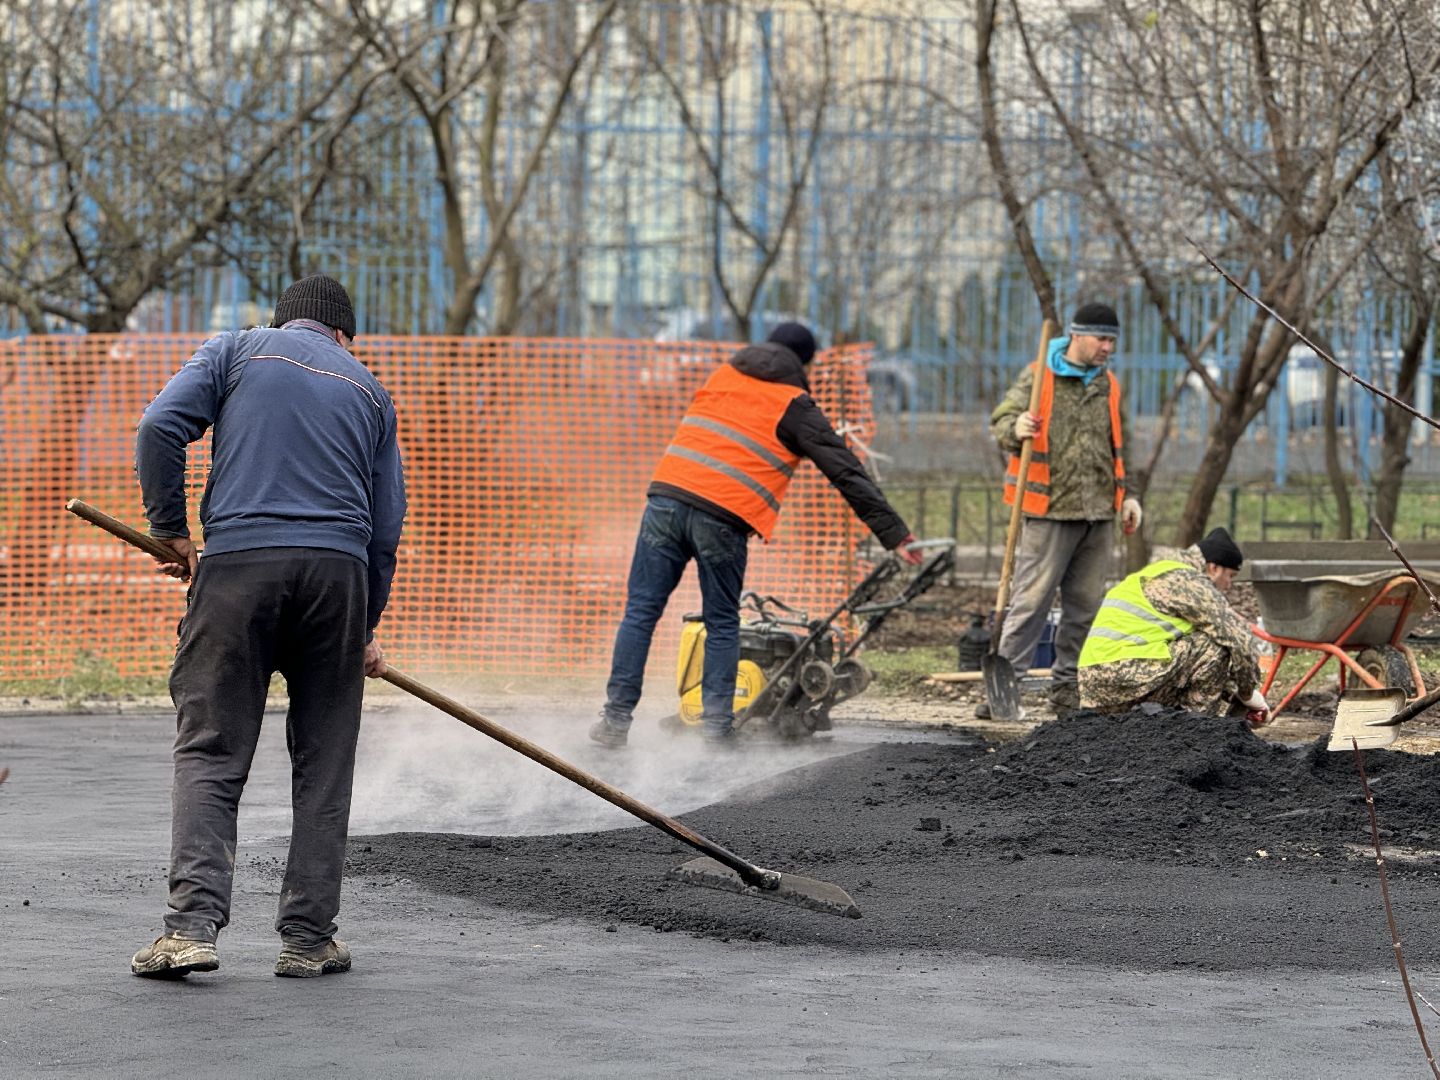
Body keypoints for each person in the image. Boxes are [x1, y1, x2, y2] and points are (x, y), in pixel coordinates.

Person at [129, 274, 406, 980]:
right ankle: (308, 940)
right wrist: (363, 626)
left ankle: (190, 930)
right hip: (337, 577)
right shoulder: (371, 391)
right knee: (324, 764)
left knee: (211, 750)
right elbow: (385, 532)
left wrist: (169, 528)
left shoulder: (236, 349)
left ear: (283, 321)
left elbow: (159, 426)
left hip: (239, 569)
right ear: (343, 334)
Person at [589, 322, 920, 749]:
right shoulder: (794, 404)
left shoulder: (723, 374)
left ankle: (614, 722)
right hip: (722, 516)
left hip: (666, 500)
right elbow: (846, 471)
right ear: (804, 363)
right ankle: (715, 732)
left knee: (640, 612)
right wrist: (895, 534)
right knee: (722, 622)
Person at [981, 302, 1142, 719]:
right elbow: (1002, 420)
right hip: (1049, 512)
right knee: (1030, 605)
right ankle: (1004, 691)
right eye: (1101, 339)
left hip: (1099, 514)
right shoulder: (1039, 376)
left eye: (1112, 341)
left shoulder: (1109, 384)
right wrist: (1015, 428)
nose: (1108, 348)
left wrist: (1129, 495)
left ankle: (1068, 695)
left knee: (1084, 611)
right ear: (1077, 335)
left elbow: (1122, 444)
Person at [1078, 527, 1267, 722]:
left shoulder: (1158, 572)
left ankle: (1168, 724)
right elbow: (1240, 640)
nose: (1229, 585)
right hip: (1128, 676)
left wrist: (1232, 691)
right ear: (1214, 568)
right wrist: (1248, 694)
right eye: (1230, 576)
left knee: (1197, 644)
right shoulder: (1188, 581)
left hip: (1094, 687)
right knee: (1215, 645)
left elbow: (1193, 666)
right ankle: (1198, 728)